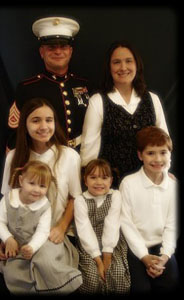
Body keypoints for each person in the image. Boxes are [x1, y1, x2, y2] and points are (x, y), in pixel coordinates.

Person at [0, 97, 83, 294]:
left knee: (47, 265)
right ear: (25, 124)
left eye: (49, 120)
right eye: (36, 120)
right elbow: (9, 201)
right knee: (17, 275)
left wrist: (61, 227)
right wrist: (6, 238)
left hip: (55, 231)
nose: (43, 126)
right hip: (22, 233)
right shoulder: (14, 157)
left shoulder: (69, 156)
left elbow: (75, 198)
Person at [80, 40, 169, 187]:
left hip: (148, 182)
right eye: (116, 62)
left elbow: (165, 143)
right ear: (109, 67)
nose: (123, 67)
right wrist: (90, 183)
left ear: (137, 65)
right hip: (111, 185)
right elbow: (89, 149)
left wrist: (164, 173)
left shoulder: (152, 99)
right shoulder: (98, 101)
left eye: (129, 61)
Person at [8, 16, 92, 152]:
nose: (58, 51)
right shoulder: (27, 88)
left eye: (63, 46)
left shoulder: (85, 85)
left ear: (70, 52)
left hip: (81, 155)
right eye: (51, 47)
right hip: (43, 159)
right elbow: (15, 134)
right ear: (42, 52)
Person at [119, 126, 179, 294]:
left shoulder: (173, 186)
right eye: (150, 153)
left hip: (161, 246)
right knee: (140, 288)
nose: (158, 159)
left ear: (170, 155)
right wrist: (144, 257)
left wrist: (165, 256)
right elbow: (126, 224)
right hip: (135, 247)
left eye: (163, 152)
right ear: (140, 155)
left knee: (171, 281)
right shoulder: (129, 184)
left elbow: (172, 226)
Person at [0, 160, 54, 293]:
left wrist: (32, 247)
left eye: (43, 186)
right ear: (21, 181)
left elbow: (43, 232)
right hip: (14, 245)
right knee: (13, 272)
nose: (37, 189)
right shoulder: (9, 198)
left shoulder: (44, 206)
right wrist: (8, 239)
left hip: (38, 244)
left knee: (45, 264)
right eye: (31, 183)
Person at [74, 159, 130, 295]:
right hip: (88, 244)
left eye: (104, 178)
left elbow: (112, 223)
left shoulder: (115, 196)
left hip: (112, 242)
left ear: (110, 181)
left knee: (116, 275)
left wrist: (107, 255)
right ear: (85, 181)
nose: (99, 182)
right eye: (93, 178)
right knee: (92, 279)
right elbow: (84, 229)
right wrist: (98, 260)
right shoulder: (80, 200)